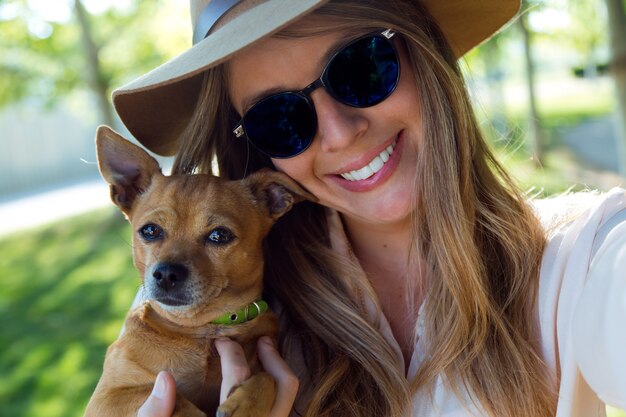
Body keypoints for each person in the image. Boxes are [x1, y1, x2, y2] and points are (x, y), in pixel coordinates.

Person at [109, 0, 626, 416]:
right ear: (260, 151)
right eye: (278, 117)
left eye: (361, 68)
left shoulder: (584, 258)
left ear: (423, 53)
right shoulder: (230, 322)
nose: (339, 132)